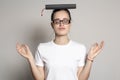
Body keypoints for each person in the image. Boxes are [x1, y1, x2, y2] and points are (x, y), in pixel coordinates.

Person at [16, 9, 104, 80]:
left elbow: (81, 78)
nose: (61, 24)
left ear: (70, 24)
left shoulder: (80, 48)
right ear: (52, 25)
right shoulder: (42, 48)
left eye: (65, 21)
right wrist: (30, 59)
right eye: (57, 21)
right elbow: (40, 78)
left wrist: (90, 59)